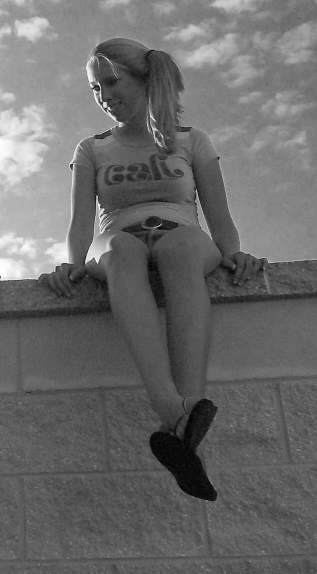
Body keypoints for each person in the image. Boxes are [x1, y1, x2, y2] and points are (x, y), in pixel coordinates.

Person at [38, 37, 266, 501]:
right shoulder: (92, 149)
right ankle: (173, 408)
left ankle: (185, 419)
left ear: (144, 80)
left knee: (180, 249)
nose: (103, 95)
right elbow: (81, 223)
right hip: (117, 237)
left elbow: (219, 216)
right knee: (123, 250)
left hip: (182, 231)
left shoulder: (192, 140)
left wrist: (234, 252)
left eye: (110, 82)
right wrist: (72, 263)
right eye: (94, 89)